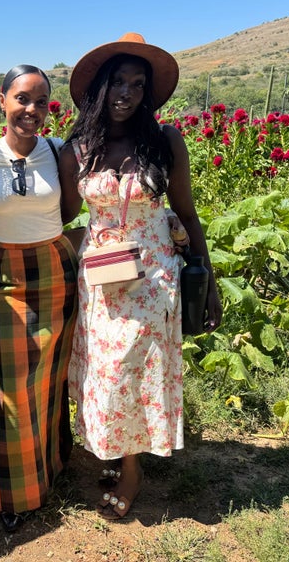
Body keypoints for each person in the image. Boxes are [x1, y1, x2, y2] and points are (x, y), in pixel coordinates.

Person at [62, 33, 223, 520]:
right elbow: (64, 217)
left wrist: (208, 281)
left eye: (137, 84)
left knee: (136, 370)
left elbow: (187, 213)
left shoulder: (164, 141)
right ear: (100, 87)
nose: (126, 93)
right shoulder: (78, 149)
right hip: (102, 279)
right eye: (118, 82)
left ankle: (131, 470)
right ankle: (117, 450)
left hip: (153, 277)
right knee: (107, 370)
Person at [0, 64, 81, 533]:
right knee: (15, 384)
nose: (32, 109)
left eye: (41, 102)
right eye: (22, 99)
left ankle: (51, 466)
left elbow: (69, 209)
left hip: (55, 268)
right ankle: (14, 492)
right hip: (7, 274)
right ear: (3, 100)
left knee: (50, 376)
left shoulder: (58, 150)